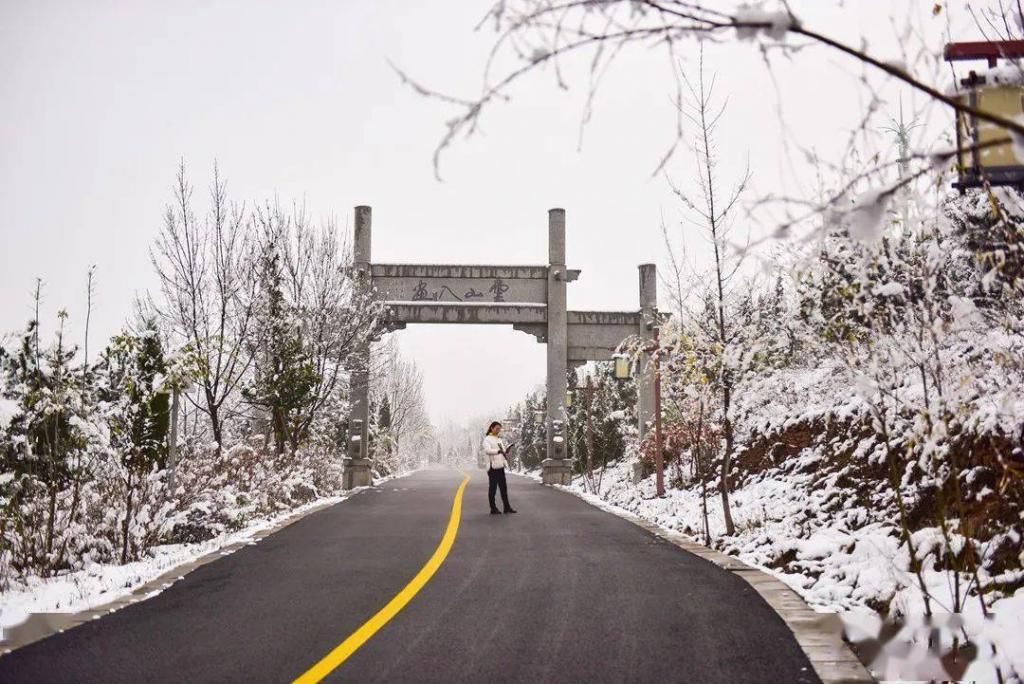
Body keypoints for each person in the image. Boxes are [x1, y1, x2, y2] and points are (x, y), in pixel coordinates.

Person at [482, 421, 516, 514]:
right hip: (492, 467)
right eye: (497, 428)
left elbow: (503, 451)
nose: (498, 430)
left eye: (499, 429)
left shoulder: (499, 439)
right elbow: (488, 450)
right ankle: (493, 508)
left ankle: (507, 507)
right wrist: (499, 451)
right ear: (491, 428)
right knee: (492, 488)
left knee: (503, 488)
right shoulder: (487, 439)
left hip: (500, 466)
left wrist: (507, 449)